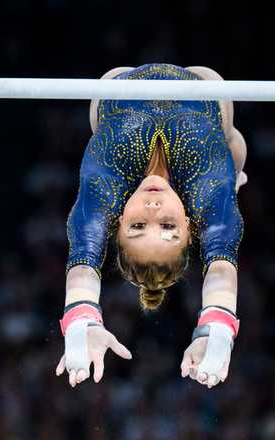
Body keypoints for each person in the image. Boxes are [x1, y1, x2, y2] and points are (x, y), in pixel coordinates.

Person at [54, 63, 248, 389]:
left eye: (138, 225)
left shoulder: (107, 180)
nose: (153, 208)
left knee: (97, 191)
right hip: (203, 83)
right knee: (233, 153)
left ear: (116, 224)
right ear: (190, 225)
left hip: (117, 81)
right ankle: (235, 176)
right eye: (169, 225)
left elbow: (85, 257)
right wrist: (217, 329)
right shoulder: (204, 188)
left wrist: (81, 320)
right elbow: (220, 265)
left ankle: (233, 177)